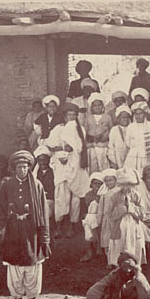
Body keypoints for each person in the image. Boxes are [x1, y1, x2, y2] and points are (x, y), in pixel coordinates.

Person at [0, 150, 51, 299]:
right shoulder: (7, 185)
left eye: (25, 167)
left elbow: (43, 212)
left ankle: (32, 297)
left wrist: (45, 236)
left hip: (31, 230)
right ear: (14, 169)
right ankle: (16, 296)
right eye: (19, 167)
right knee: (14, 265)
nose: (22, 170)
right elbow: (0, 209)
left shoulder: (36, 185)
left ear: (29, 168)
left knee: (32, 263)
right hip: (13, 230)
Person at [46, 102, 89, 238]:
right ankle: (59, 226)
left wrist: (72, 150)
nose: (71, 117)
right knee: (61, 196)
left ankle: (72, 225)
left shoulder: (80, 130)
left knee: (75, 197)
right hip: (62, 165)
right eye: (69, 115)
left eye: (74, 115)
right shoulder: (58, 129)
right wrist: (64, 149)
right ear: (64, 117)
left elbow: (80, 148)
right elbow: (50, 146)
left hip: (76, 165)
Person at [102, 168, 147, 266]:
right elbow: (108, 214)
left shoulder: (136, 195)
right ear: (119, 185)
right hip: (119, 225)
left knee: (133, 243)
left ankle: (134, 265)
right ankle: (117, 265)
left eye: (129, 184)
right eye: (123, 184)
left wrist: (132, 209)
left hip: (133, 225)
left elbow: (143, 214)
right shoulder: (114, 197)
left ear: (133, 185)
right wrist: (120, 210)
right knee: (119, 244)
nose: (126, 187)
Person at [124, 100, 150, 175]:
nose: (138, 116)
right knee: (131, 175)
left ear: (144, 114)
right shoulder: (131, 126)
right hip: (133, 156)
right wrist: (135, 146)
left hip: (147, 155)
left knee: (148, 174)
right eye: (136, 114)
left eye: (140, 113)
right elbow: (127, 141)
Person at [82, 93, 112, 173]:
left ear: (103, 106)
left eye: (99, 105)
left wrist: (105, 136)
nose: (97, 107)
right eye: (95, 106)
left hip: (103, 146)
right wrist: (91, 139)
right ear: (91, 107)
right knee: (93, 167)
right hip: (92, 147)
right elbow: (85, 132)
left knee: (104, 167)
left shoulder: (107, 117)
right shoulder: (88, 118)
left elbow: (111, 131)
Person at [80, 172, 105, 263]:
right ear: (91, 184)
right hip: (91, 217)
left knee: (88, 222)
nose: (97, 186)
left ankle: (91, 250)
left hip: (102, 217)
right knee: (89, 219)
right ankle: (97, 248)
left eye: (100, 184)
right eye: (95, 184)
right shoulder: (88, 195)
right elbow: (84, 210)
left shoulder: (104, 195)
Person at [33, 146, 55, 222]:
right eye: (40, 160)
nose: (42, 163)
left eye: (44, 160)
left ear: (48, 160)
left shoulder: (53, 172)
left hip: (51, 200)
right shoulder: (36, 173)